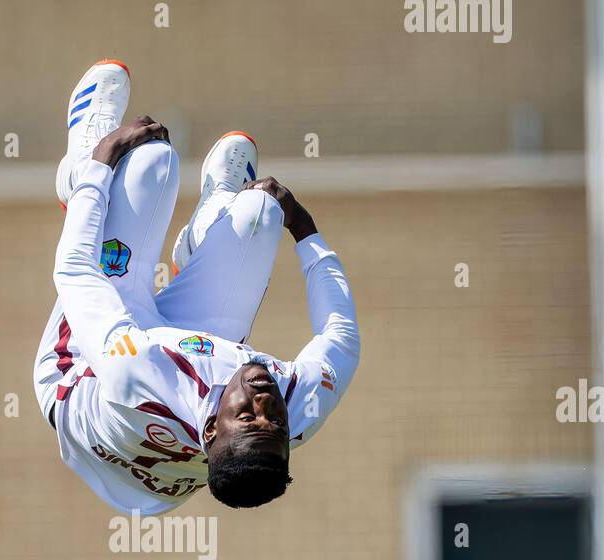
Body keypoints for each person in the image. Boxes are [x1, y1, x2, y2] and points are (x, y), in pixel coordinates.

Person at [33, 60, 360, 514]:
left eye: (248, 415)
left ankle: (74, 169)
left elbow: (74, 269)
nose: (263, 398)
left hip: (83, 374)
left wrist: (99, 164)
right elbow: (341, 336)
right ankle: (201, 243)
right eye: (276, 422)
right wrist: (306, 232)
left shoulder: (139, 375)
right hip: (178, 385)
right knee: (262, 214)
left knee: (150, 162)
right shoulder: (296, 406)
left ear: (212, 431)